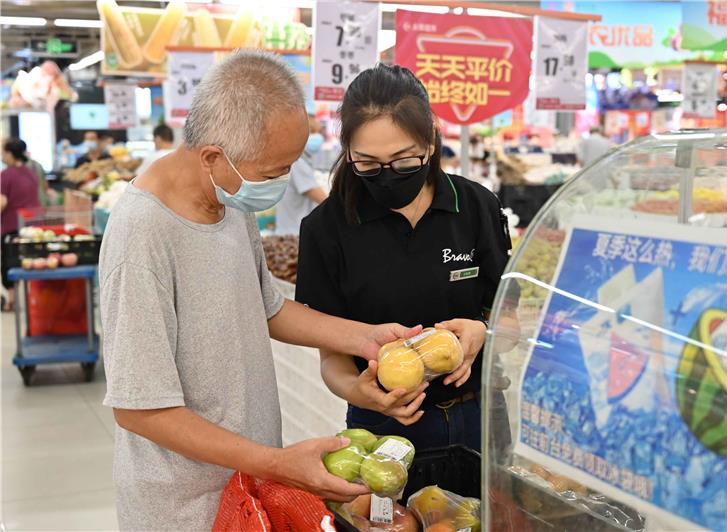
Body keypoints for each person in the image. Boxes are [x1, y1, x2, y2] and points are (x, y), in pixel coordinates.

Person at [99, 51, 419, 531]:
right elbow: (139, 409)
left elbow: (266, 307)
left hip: (250, 489)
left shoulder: (228, 199)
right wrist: (277, 462)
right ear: (213, 157)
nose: (282, 183)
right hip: (186, 508)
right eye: (273, 173)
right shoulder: (141, 237)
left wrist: (364, 337)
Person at [295, 64, 513, 453]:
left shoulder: (476, 207)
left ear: (430, 140)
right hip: (383, 423)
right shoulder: (326, 229)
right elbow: (332, 357)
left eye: (404, 161)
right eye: (367, 163)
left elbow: (509, 320)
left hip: (479, 414)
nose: (388, 176)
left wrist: (486, 331)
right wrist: (358, 392)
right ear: (347, 152)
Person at [1, 138, 41, 310]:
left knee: (9, 263)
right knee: (30, 263)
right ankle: (34, 298)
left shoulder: (6, 175)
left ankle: (11, 300)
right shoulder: (30, 172)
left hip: (11, 226)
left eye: (3, 152)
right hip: (33, 226)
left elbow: (2, 202)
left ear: (10, 154)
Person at [275, 111, 328, 234]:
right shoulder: (297, 163)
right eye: (312, 132)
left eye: (318, 132)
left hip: (291, 229)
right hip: (294, 232)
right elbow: (322, 199)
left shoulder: (298, 160)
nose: (317, 137)